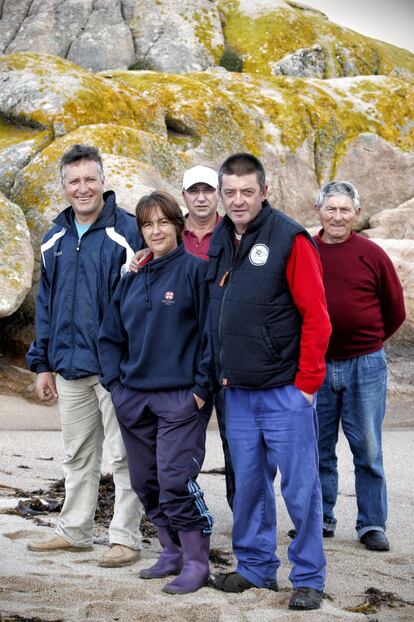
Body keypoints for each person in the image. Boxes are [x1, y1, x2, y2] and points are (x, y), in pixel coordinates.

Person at [208, 153, 332, 611]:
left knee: (300, 489)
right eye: (230, 192)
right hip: (237, 390)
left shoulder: (290, 238)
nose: (238, 200)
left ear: (264, 192)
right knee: (250, 485)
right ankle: (256, 567)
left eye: (247, 191)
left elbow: (317, 318)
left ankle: (308, 577)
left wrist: (306, 384)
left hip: (285, 391)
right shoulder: (222, 237)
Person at [26, 144, 143, 568]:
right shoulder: (53, 236)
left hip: (116, 371)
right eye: (73, 181)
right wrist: (42, 364)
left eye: (90, 179)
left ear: (103, 182)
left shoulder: (127, 231)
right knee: (77, 455)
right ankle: (74, 531)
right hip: (69, 368)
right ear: (63, 186)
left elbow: (141, 301)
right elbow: (46, 303)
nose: (82, 188)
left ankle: (126, 537)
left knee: (125, 456)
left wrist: (132, 362)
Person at [97, 191, 214, 595]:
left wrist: (200, 389)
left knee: (175, 479)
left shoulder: (197, 272)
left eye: (163, 222)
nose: (156, 230)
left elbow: (210, 336)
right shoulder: (131, 278)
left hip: (180, 398)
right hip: (133, 397)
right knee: (146, 481)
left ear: (178, 225)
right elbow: (109, 336)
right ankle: (171, 551)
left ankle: (198, 561)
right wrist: (116, 386)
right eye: (148, 224)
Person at [130, 165, 236, 510]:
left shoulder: (236, 231)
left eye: (208, 190)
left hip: (235, 354)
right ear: (185, 197)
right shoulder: (169, 231)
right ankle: (179, 524)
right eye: (194, 191)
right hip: (192, 362)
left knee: (238, 447)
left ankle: (244, 525)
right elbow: (143, 275)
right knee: (179, 458)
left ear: (217, 193)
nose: (201, 197)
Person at [313, 180, 406, 551]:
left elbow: (395, 309)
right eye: (331, 208)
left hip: (365, 364)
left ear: (356, 213)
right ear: (318, 211)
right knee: (318, 448)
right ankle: (320, 518)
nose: (337, 216)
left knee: (367, 449)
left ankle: (371, 524)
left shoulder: (372, 253)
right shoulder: (305, 250)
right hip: (316, 366)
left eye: (345, 209)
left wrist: (367, 342)